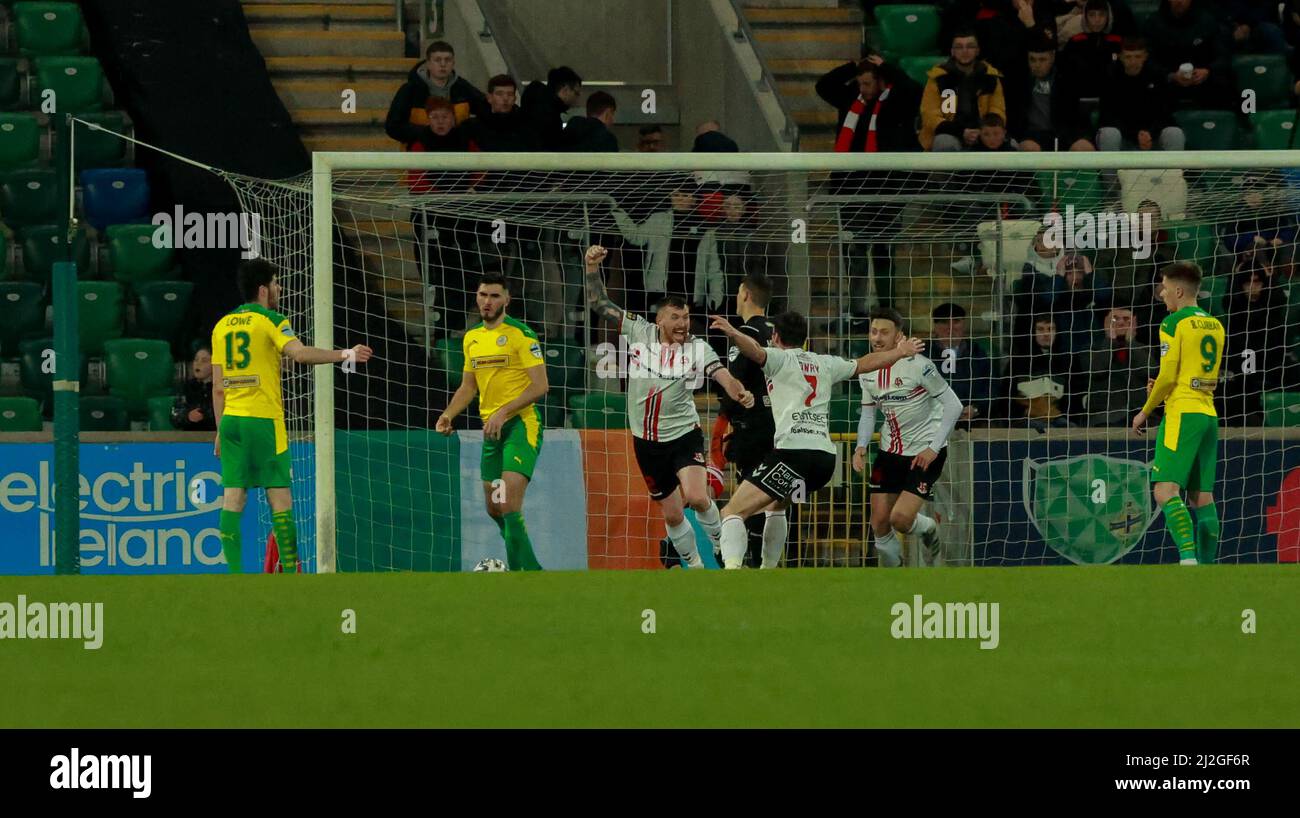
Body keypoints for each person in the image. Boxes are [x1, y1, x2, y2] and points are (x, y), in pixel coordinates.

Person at [710, 309, 926, 569]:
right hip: (824, 459)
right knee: (776, 506)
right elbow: (865, 363)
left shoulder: (778, 359)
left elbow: (754, 351)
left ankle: (731, 574)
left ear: (775, 336)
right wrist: (900, 352)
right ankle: (766, 573)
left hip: (793, 453)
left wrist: (734, 333)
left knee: (732, 512)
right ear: (805, 339)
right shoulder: (825, 362)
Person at [584, 245, 756, 567]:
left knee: (696, 496)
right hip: (646, 442)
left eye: (686, 317)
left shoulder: (697, 347)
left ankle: (720, 543)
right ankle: (693, 565)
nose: (682, 323)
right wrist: (592, 267)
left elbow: (721, 374)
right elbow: (600, 303)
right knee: (673, 513)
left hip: (682, 435)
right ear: (659, 319)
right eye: (675, 317)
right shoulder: (638, 330)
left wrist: (738, 391)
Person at [211, 260, 374, 573]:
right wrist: (345, 354)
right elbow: (299, 355)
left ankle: (233, 576)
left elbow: (218, 388)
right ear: (263, 289)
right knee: (280, 500)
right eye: (275, 283)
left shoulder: (222, 326)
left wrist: (220, 430)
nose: (279, 288)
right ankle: (290, 573)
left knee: (233, 497)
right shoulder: (272, 319)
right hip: (263, 421)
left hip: (231, 420)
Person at [436, 273, 550, 571]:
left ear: (507, 300)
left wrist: (504, 411)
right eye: (483, 295)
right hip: (492, 431)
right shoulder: (472, 338)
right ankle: (534, 571)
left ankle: (519, 579)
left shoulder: (521, 335)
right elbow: (468, 387)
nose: (487, 302)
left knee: (510, 504)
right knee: (494, 508)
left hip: (520, 425)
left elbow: (540, 386)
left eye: (495, 296)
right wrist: (449, 414)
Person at [851, 308, 964, 567]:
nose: (877, 338)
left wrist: (934, 448)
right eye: (873, 331)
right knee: (878, 522)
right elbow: (868, 414)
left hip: (924, 453)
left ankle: (928, 529)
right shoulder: (867, 369)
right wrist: (860, 447)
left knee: (899, 520)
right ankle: (895, 577)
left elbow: (954, 406)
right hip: (890, 452)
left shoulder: (919, 366)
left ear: (899, 336)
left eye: (884, 332)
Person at [1131, 262, 1225, 565]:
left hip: (1182, 414)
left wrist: (1145, 411)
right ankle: (1208, 569)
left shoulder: (1172, 323)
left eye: (1165, 287)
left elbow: (1169, 376)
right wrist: (1164, 387)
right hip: (1208, 414)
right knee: (1201, 498)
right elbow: (1195, 376)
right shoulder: (1215, 324)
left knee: (1164, 491)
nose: (1161, 293)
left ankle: (1187, 561)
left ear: (1179, 291)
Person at [701, 274, 777, 568]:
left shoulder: (744, 333)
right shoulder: (778, 331)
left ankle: (740, 560)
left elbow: (734, 384)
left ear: (745, 294)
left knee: (750, 496)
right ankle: (769, 564)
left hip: (755, 426)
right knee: (776, 500)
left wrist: (722, 424)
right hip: (783, 424)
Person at [384, 40, 487, 146]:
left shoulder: (463, 88)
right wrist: (427, 134)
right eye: (437, 60)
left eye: (447, 60)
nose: (443, 64)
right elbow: (393, 126)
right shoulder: (410, 90)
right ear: (428, 64)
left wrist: (463, 132)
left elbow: (487, 113)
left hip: (456, 153)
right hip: (419, 153)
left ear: (453, 63)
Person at [919, 30, 1008, 151]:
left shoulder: (990, 76)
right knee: (944, 142)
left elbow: (997, 109)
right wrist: (961, 132)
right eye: (959, 47)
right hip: (951, 133)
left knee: (1012, 145)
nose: (965, 51)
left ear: (977, 51)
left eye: (970, 46)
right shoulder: (940, 78)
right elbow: (930, 115)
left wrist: (985, 132)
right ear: (952, 51)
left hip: (984, 134)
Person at [815, 54, 923, 153]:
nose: (862, 89)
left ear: (880, 81)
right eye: (859, 84)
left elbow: (914, 91)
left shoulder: (895, 101)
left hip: (887, 170)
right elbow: (823, 86)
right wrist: (852, 67)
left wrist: (885, 68)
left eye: (867, 84)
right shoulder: (851, 98)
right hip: (850, 170)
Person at [1008, 33, 1095, 151]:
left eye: (1042, 59)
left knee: (1084, 148)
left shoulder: (1066, 78)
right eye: (1032, 60)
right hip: (1033, 134)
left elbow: (1077, 115)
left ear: (1052, 57)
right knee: (1028, 148)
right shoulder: (1020, 81)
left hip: (1064, 133)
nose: (1037, 65)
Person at [1096, 37, 1184, 152]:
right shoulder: (1110, 78)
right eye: (1128, 57)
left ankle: (1174, 170)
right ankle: (1110, 171)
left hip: (1151, 137)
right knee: (1109, 133)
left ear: (1145, 57)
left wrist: (1149, 134)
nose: (1133, 62)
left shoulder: (1157, 77)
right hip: (1123, 138)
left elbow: (1165, 114)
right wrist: (1135, 135)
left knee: (1174, 133)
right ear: (1120, 57)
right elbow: (1107, 117)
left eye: (1137, 57)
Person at [1082, 306, 1153, 426]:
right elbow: (1096, 370)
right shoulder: (1091, 349)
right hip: (1105, 417)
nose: (1121, 323)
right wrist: (1110, 340)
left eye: (1126, 319)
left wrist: (1131, 342)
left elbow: (1149, 371)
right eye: (1115, 319)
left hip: (1141, 416)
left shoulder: (1145, 349)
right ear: (1106, 323)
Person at [926, 303, 995, 426]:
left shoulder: (977, 353)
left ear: (964, 324)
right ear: (935, 326)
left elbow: (991, 388)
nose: (951, 327)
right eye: (944, 322)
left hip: (972, 423)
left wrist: (975, 408)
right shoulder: (922, 353)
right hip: (929, 423)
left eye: (956, 321)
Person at [522, 66, 583, 152]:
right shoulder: (550, 116)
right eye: (576, 93)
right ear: (565, 90)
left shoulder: (535, 102)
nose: (577, 98)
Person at [170, 345, 214, 431]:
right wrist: (187, 416)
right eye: (196, 359)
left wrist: (205, 415)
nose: (198, 363)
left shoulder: (221, 388)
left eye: (204, 361)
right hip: (191, 437)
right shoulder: (186, 387)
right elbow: (174, 415)